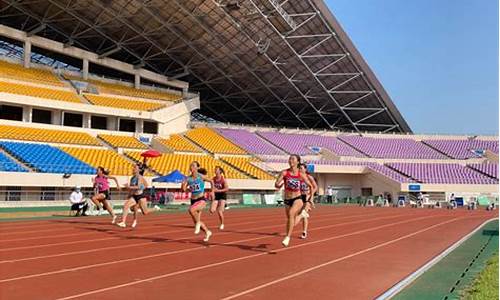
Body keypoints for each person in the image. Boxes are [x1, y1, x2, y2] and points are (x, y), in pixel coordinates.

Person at [275, 154, 313, 247]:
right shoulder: (284, 173)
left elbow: (311, 186)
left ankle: (287, 237)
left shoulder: (301, 174)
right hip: (287, 199)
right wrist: (278, 185)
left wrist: (310, 199)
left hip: (297, 198)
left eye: (293, 159)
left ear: (298, 162)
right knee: (290, 220)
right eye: (289, 159)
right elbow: (276, 183)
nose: (290, 160)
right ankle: (301, 215)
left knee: (292, 213)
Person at [117, 163, 158, 228]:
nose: (133, 169)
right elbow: (131, 188)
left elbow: (139, 186)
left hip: (141, 196)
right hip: (135, 196)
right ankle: (123, 222)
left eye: (135, 168)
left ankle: (155, 208)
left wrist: (131, 187)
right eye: (133, 168)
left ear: (138, 170)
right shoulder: (132, 178)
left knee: (145, 212)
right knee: (126, 205)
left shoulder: (140, 177)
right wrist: (126, 191)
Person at [182, 161, 215, 242]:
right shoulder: (188, 178)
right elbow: (183, 189)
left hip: (201, 200)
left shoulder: (201, 176)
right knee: (197, 221)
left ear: (197, 168)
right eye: (190, 166)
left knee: (191, 210)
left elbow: (211, 181)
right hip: (193, 200)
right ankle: (207, 232)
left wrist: (212, 191)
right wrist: (183, 185)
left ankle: (199, 225)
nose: (191, 167)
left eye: (193, 165)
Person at [295, 163, 317, 239]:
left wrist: (311, 196)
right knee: (303, 215)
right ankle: (306, 210)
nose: (300, 170)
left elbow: (315, 187)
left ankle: (304, 232)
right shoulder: (297, 177)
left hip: (307, 196)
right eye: (299, 168)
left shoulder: (309, 177)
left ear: (305, 169)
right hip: (300, 197)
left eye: (301, 168)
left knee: (303, 213)